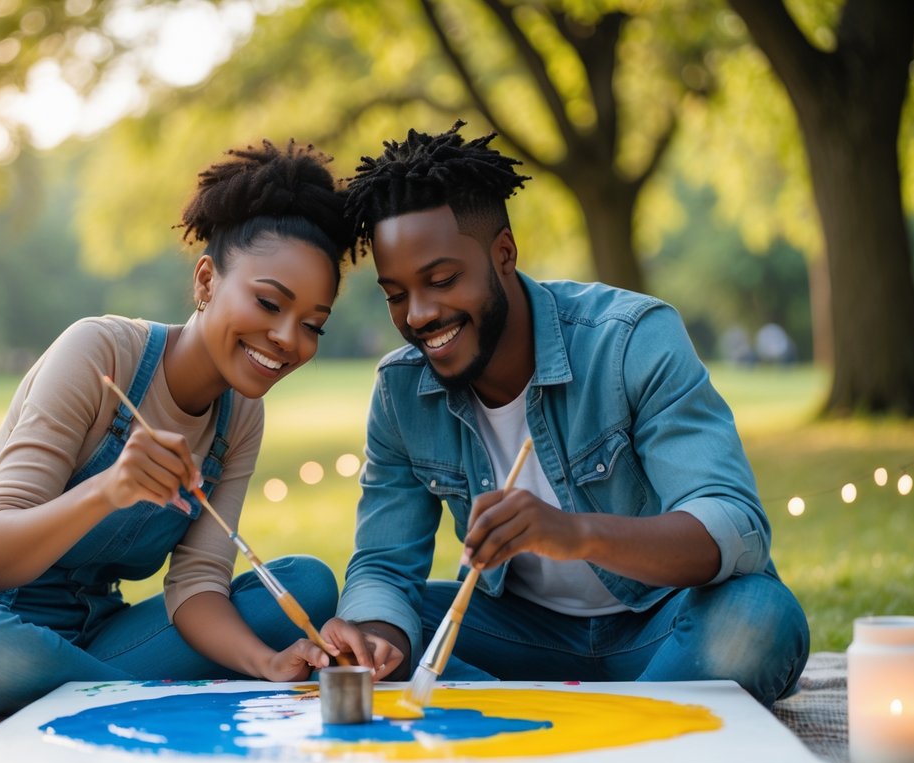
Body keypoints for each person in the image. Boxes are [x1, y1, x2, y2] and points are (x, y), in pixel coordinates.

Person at [0, 140, 397, 730]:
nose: (288, 338)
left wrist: (267, 661)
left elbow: (198, 584)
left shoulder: (240, 416)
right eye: (267, 302)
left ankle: (60, 702)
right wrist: (109, 488)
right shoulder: (102, 354)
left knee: (306, 582)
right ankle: (133, 699)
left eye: (313, 325)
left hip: (95, 637)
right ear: (206, 280)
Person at [326, 123, 809, 707]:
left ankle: (540, 722)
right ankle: (638, 727)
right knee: (367, 622)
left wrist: (574, 533)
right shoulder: (400, 390)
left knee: (758, 616)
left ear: (503, 253)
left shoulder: (631, 339)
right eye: (396, 294)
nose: (420, 313)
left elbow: (734, 525)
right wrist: (377, 641)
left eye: (443, 280)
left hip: (657, 624)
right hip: (518, 633)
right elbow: (384, 565)